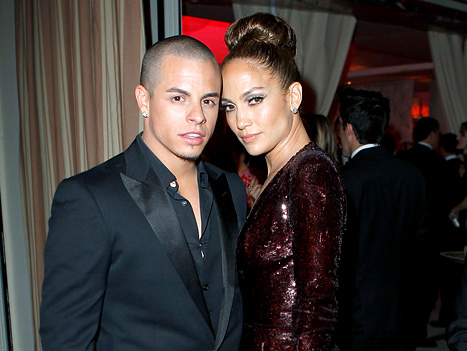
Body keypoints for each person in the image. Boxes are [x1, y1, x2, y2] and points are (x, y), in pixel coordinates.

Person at [39, 35, 248, 351]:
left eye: (209, 100)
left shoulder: (230, 188)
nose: (198, 116)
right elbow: (66, 341)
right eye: (179, 98)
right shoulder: (90, 198)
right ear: (143, 100)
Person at [221, 12, 346, 350]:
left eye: (255, 99)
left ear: (293, 97)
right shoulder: (281, 173)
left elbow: (317, 315)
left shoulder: (311, 174)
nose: (240, 120)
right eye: (229, 106)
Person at [336, 88, 426, 351]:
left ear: (349, 129)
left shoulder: (343, 180)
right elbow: (421, 241)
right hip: (404, 307)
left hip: (359, 313)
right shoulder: (412, 175)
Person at [397, 117, 454, 347]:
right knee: (426, 290)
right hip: (431, 237)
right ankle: (417, 334)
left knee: (403, 287)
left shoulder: (402, 158)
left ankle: (402, 332)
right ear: (432, 133)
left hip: (401, 235)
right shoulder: (440, 164)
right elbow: (446, 202)